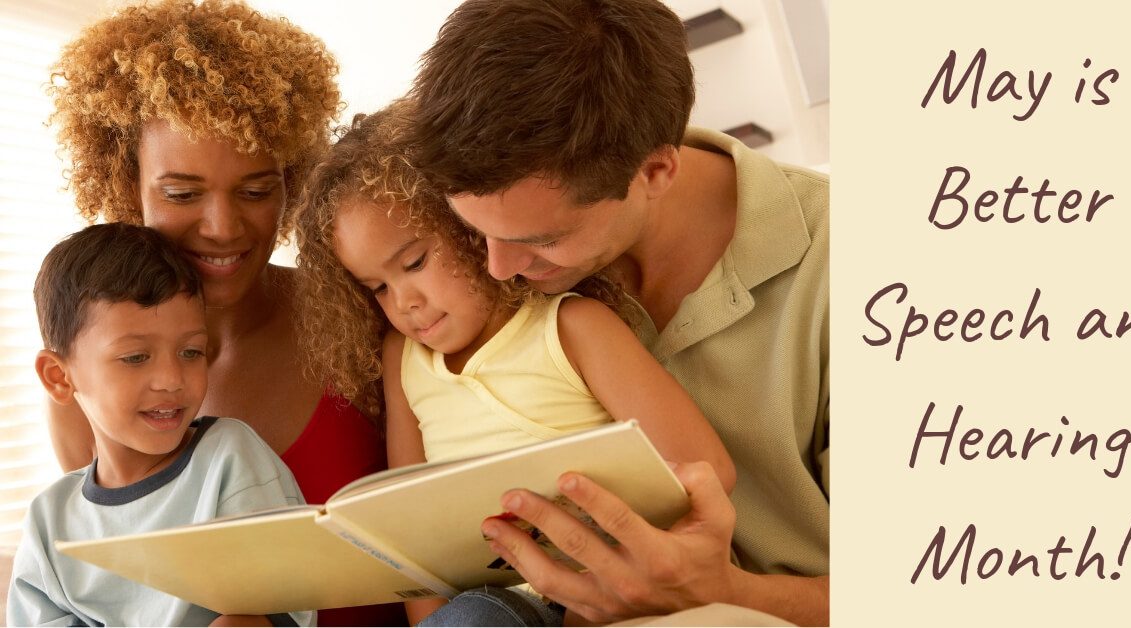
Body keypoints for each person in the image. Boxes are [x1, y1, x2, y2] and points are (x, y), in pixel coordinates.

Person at [404, 0, 830, 624]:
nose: (496, 269)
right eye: (473, 230)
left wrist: (727, 592)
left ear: (656, 171)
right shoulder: (498, 273)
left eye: (542, 239)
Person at [292, 100, 736, 626]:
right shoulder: (403, 357)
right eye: (378, 288)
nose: (404, 301)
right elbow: (412, 523)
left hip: (617, 584)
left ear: (470, 225)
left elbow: (704, 471)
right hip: (495, 604)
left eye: (414, 263)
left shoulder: (573, 326)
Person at [47, 1, 399, 623]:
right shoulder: (86, 379)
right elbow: (112, 598)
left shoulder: (365, 313)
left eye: (257, 190)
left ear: (293, 180)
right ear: (126, 185)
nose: (223, 227)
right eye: (182, 193)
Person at [8, 223, 312, 627]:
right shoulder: (49, 522)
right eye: (135, 357)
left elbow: (275, 613)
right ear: (59, 377)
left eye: (191, 351)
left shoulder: (229, 460)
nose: (172, 379)